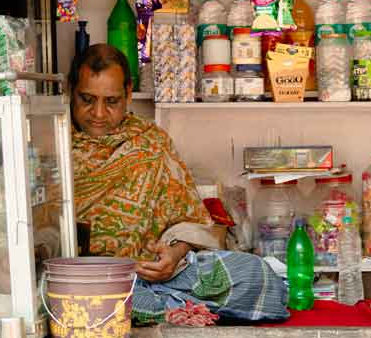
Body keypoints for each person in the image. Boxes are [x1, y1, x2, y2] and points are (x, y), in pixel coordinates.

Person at [69, 44, 287, 323]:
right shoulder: (52, 142)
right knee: (65, 294)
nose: (98, 113)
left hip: (158, 278)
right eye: (87, 99)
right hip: (85, 284)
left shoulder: (151, 142)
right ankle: (166, 309)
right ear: (70, 90)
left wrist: (174, 255)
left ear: (128, 93)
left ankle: (159, 307)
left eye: (111, 101)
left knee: (254, 273)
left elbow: (190, 222)